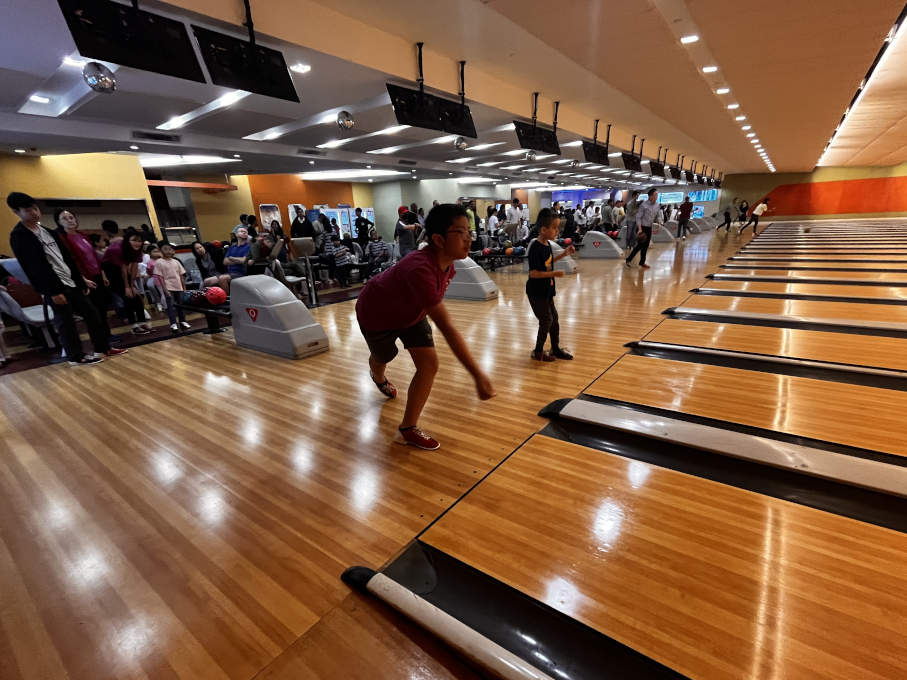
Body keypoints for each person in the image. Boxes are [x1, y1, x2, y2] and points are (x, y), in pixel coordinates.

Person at [356, 203, 495, 450]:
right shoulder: (420, 268)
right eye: (460, 232)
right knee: (384, 357)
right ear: (439, 240)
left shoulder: (448, 265)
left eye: (469, 231)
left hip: (411, 313)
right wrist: (477, 375)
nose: (468, 238)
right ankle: (377, 375)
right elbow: (447, 327)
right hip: (376, 314)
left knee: (429, 364)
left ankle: (408, 427)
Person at [6, 192, 125, 364]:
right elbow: (33, 267)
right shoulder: (19, 236)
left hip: (70, 281)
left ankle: (102, 348)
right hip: (54, 285)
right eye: (28, 210)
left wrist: (80, 280)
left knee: (92, 314)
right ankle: (75, 356)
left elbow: (67, 259)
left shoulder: (47, 232)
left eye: (35, 208)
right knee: (66, 322)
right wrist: (52, 291)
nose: (34, 212)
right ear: (16, 212)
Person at [526, 208, 575, 362]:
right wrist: (553, 274)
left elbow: (547, 262)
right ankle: (538, 352)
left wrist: (564, 254)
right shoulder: (535, 247)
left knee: (554, 319)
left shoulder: (547, 244)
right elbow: (534, 273)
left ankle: (555, 348)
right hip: (536, 292)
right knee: (546, 320)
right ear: (543, 229)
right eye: (554, 228)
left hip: (547, 290)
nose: (557, 231)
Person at [54, 208, 111, 321]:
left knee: (103, 306)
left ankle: (106, 330)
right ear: (59, 222)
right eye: (64, 218)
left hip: (97, 275)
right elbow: (70, 261)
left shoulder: (82, 235)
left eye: (71, 217)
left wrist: (103, 274)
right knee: (93, 311)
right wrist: (81, 279)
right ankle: (100, 332)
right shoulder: (62, 238)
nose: (69, 220)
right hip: (84, 277)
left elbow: (94, 256)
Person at [151, 241, 190, 332]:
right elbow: (160, 277)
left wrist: (184, 288)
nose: (168, 251)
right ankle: (173, 323)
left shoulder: (176, 261)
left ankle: (183, 321)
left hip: (179, 286)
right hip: (168, 287)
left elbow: (181, 276)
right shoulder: (159, 262)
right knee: (170, 306)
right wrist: (165, 290)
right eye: (165, 249)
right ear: (160, 250)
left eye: (169, 249)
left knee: (181, 305)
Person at [120, 229, 153, 334]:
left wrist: (132, 285)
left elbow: (134, 267)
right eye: (134, 240)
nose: (137, 243)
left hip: (128, 275)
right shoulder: (120, 250)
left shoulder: (137, 252)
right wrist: (127, 286)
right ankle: (134, 326)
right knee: (128, 298)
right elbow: (123, 269)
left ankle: (142, 323)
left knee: (137, 297)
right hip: (115, 275)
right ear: (127, 240)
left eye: (139, 241)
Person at [625, 188, 663, 269]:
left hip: (649, 228)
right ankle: (628, 260)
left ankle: (642, 262)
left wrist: (659, 222)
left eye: (657, 195)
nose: (657, 196)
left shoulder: (657, 205)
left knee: (646, 246)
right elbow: (638, 217)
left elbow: (658, 215)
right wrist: (639, 229)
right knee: (639, 246)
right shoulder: (643, 205)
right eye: (656, 195)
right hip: (642, 227)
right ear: (650, 196)